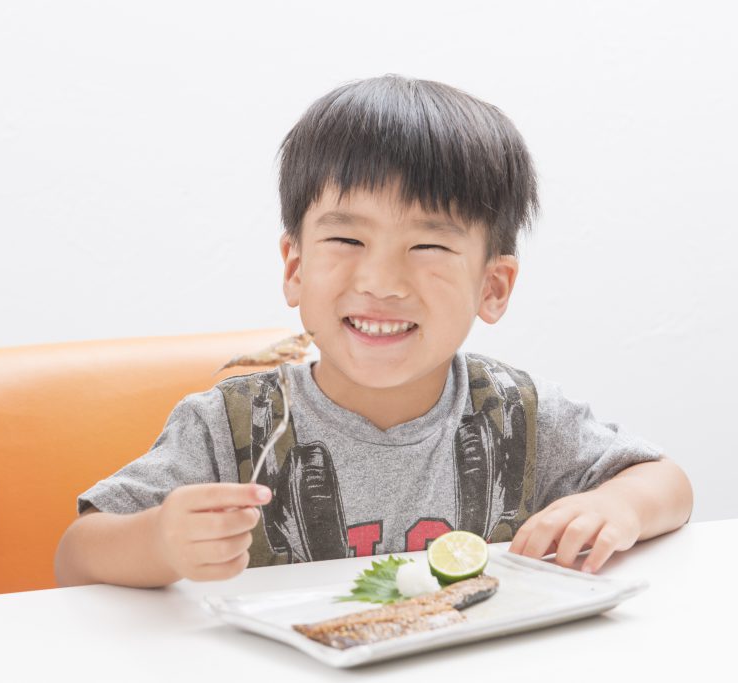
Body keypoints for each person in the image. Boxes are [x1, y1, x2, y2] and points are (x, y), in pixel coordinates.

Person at [54, 75, 693, 588]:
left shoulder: (517, 418)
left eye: (428, 245)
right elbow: (77, 556)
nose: (382, 280)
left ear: (492, 287)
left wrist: (621, 508)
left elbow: (667, 482)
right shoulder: (231, 424)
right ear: (295, 267)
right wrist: (160, 541)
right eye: (347, 238)